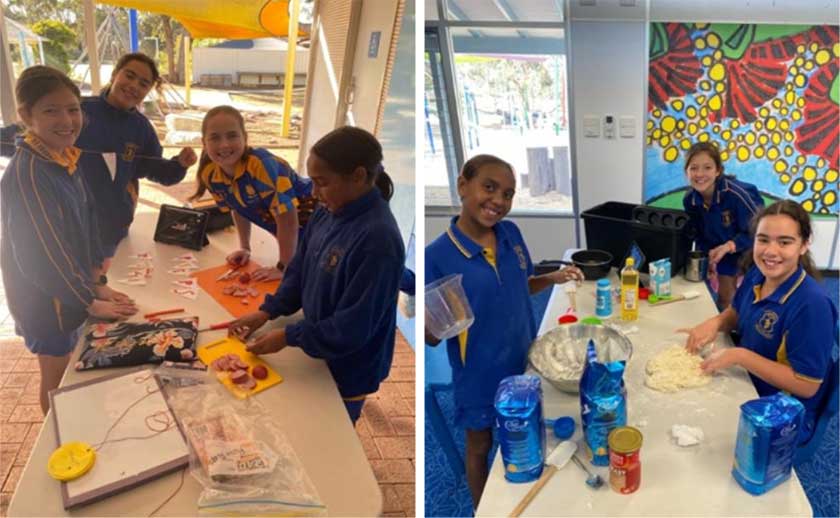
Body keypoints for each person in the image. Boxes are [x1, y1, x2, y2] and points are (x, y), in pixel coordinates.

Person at [424, 154, 583, 509]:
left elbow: (517, 285)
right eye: (489, 187)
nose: (498, 201)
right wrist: (432, 319)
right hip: (480, 373)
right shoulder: (437, 256)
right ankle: (484, 509)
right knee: (480, 445)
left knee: (527, 429)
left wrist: (552, 278)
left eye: (508, 194)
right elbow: (433, 335)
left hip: (524, 358)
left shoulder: (510, 234)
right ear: (463, 185)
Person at [228, 126, 405, 424]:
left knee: (332, 431)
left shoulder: (378, 239)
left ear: (359, 177)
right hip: (317, 347)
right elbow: (299, 269)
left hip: (350, 366)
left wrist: (289, 335)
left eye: (322, 183)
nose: (313, 193)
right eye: (313, 181)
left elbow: (353, 328)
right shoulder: (328, 209)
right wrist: (267, 311)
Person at [0, 66, 138, 415]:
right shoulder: (30, 173)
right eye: (51, 110)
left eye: (73, 109)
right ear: (25, 116)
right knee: (57, 379)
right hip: (48, 303)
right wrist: (88, 301)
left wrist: (96, 282)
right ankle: (60, 446)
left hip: (71, 291)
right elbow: (42, 256)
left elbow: (87, 222)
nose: (67, 120)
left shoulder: (61, 157)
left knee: (71, 374)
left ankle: (72, 428)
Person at [1, 53, 197, 265]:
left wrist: (179, 164)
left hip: (114, 231)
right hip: (70, 229)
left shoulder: (142, 128)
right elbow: (22, 134)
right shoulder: (77, 110)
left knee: (112, 286)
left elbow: (156, 170)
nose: (133, 85)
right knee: (75, 286)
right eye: (129, 76)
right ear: (114, 74)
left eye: (143, 83)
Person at [681, 200, 838, 443]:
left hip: (783, 410)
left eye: (784, 242)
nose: (770, 251)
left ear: (804, 245)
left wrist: (740, 356)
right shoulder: (758, 272)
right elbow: (737, 311)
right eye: (763, 239)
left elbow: (807, 386)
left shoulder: (812, 306)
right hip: (747, 379)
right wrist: (716, 322)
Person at [190, 105, 315, 281]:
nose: (224, 144)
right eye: (215, 138)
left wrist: (284, 266)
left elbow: (288, 220)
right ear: (204, 143)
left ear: (245, 138)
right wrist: (245, 248)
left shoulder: (262, 165)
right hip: (295, 235)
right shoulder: (210, 175)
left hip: (320, 218)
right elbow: (238, 208)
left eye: (232, 135)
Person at [682, 142, 764, 309]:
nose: (700, 174)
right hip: (718, 250)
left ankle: (731, 330)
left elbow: (759, 233)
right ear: (686, 172)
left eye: (707, 167)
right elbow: (698, 233)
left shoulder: (736, 195)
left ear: (718, 171)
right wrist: (706, 257)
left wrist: (729, 246)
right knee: (701, 290)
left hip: (747, 248)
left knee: (731, 298)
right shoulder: (690, 200)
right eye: (694, 168)